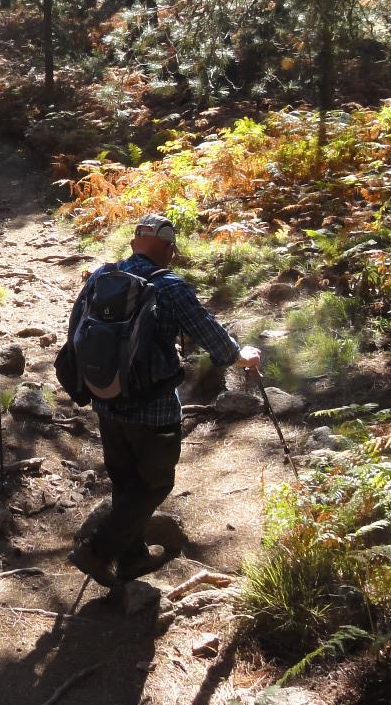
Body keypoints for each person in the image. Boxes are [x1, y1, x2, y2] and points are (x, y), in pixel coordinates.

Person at [61, 213, 261, 590]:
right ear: (167, 249)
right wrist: (242, 356)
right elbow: (211, 337)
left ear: (136, 241)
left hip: (106, 400)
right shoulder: (170, 285)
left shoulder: (102, 278)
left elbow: (74, 332)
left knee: (125, 482)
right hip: (153, 408)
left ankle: (132, 558)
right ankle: (97, 551)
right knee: (154, 484)